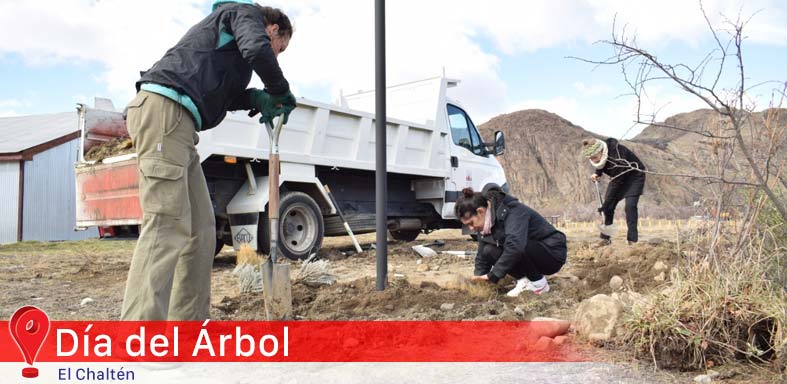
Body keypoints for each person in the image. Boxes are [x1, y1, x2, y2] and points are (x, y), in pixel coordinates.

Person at [121, 1, 296, 320]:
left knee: (201, 229)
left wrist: (256, 97)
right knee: (166, 223)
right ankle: (140, 337)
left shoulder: (233, 54)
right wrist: (279, 89)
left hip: (180, 125)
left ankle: (187, 328)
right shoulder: (243, 14)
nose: (276, 56)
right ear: (272, 29)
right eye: (279, 48)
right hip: (164, 112)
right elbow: (259, 50)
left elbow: (223, 94)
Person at [456, 186, 567, 297]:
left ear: (480, 212)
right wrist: (478, 280)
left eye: (471, 223)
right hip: (530, 251)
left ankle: (538, 283)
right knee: (488, 250)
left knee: (516, 244)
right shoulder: (487, 223)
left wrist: (493, 276)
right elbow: (482, 255)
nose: (471, 228)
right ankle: (524, 280)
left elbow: (515, 246)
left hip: (552, 253)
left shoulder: (512, 211)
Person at [582, 138, 646, 246]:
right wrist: (597, 173)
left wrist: (606, 204)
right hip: (617, 177)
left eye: (594, 157)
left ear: (600, 151)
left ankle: (632, 240)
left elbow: (617, 183)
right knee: (608, 209)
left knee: (630, 207)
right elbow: (601, 164)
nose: (593, 160)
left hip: (634, 177)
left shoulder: (616, 156)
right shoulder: (601, 155)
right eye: (591, 158)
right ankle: (605, 239)